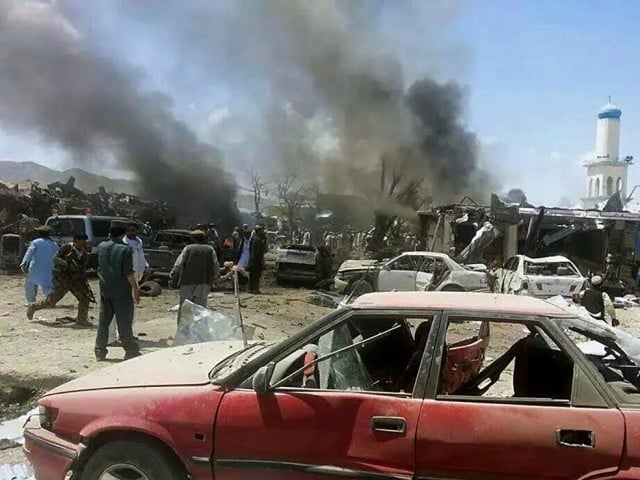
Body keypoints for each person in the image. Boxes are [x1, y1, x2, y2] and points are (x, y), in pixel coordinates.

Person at [94, 221, 141, 361]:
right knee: (124, 323)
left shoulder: (101, 246)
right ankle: (130, 350)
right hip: (121, 291)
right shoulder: (125, 249)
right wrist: (136, 289)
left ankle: (99, 351)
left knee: (103, 322)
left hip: (105, 289)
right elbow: (128, 273)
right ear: (123, 233)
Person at [27, 233, 94, 325]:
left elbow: (83, 266)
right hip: (63, 279)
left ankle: (81, 318)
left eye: (85, 241)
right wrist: (67, 264)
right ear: (76, 241)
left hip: (75, 280)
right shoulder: (67, 248)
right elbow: (55, 258)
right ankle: (33, 307)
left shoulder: (83, 251)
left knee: (84, 298)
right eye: (81, 241)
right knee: (52, 301)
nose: (83, 243)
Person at [108, 222, 148, 345]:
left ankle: (127, 333)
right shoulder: (122, 245)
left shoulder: (138, 243)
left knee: (131, 309)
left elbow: (141, 260)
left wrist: (145, 268)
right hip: (123, 280)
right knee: (115, 309)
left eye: (133, 230)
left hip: (135, 279)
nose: (131, 232)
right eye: (128, 230)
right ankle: (111, 337)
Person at [170, 229, 220, 324]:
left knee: (185, 308)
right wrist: (216, 277)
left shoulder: (188, 248)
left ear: (193, 238)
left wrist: (173, 274)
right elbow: (216, 265)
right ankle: (198, 332)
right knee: (200, 309)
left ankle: (183, 332)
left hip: (187, 282)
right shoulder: (210, 249)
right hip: (203, 283)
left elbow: (179, 264)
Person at [20, 226, 59, 308]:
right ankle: (50, 301)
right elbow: (57, 256)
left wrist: (23, 263)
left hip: (35, 268)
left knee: (30, 284)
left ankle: (31, 302)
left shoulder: (36, 242)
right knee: (48, 286)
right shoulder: (54, 244)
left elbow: (29, 253)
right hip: (49, 268)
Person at [248, 225, 267, 294]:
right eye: (261, 231)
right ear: (258, 231)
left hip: (253, 260)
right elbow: (259, 253)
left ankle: (251, 289)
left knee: (252, 275)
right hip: (256, 261)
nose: (263, 232)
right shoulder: (258, 240)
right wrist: (261, 262)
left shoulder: (254, 239)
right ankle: (255, 289)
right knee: (256, 276)